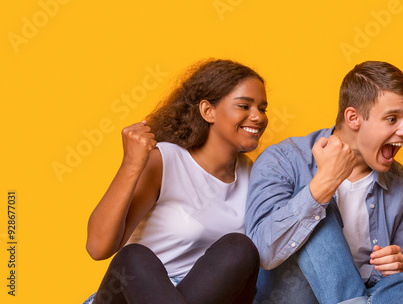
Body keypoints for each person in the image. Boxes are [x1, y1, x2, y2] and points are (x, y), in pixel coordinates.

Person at [84, 59, 266, 303]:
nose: (257, 117)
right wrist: (131, 164)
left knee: (240, 249)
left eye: (262, 109)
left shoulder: (252, 174)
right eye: (244, 106)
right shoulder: (164, 161)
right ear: (207, 111)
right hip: (133, 295)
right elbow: (98, 248)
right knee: (134, 257)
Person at [246, 61, 403, 304]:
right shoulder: (284, 159)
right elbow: (263, 253)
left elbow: (389, 281)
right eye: (392, 119)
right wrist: (322, 186)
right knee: (318, 207)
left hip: (366, 295)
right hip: (293, 297)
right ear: (353, 117)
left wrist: (395, 264)